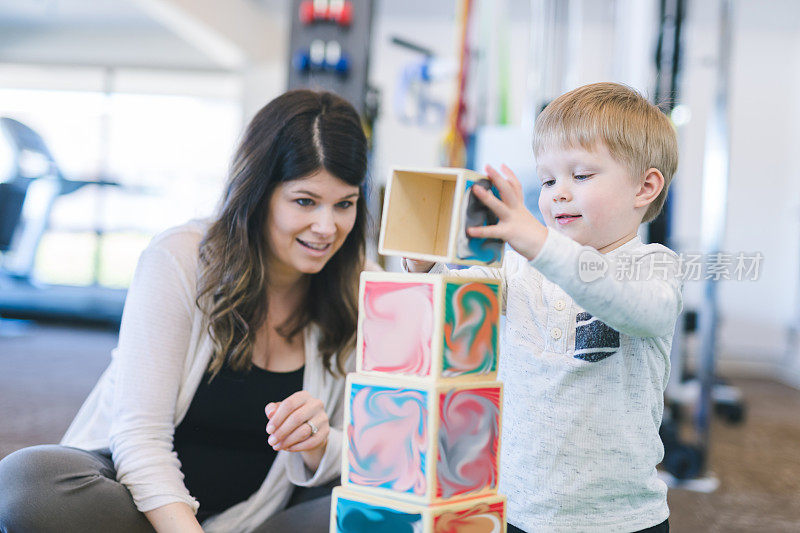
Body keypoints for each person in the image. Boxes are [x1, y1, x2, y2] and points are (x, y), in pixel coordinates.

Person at [0, 89, 369, 533]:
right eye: (305, 201)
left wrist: (319, 444)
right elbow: (140, 436)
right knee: (29, 483)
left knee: (384, 508)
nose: (327, 227)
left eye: (344, 204)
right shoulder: (180, 258)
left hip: (257, 522)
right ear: (259, 193)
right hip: (143, 511)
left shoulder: (360, 284)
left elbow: (378, 455)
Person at [407, 82, 681, 532]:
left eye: (581, 175)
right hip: (519, 511)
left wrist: (538, 241)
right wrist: (424, 262)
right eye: (548, 179)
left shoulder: (651, 267)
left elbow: (637, 307)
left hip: (620, 521)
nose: (557, 193)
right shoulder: (519, 269)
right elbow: (454, 299)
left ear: (645, 187)